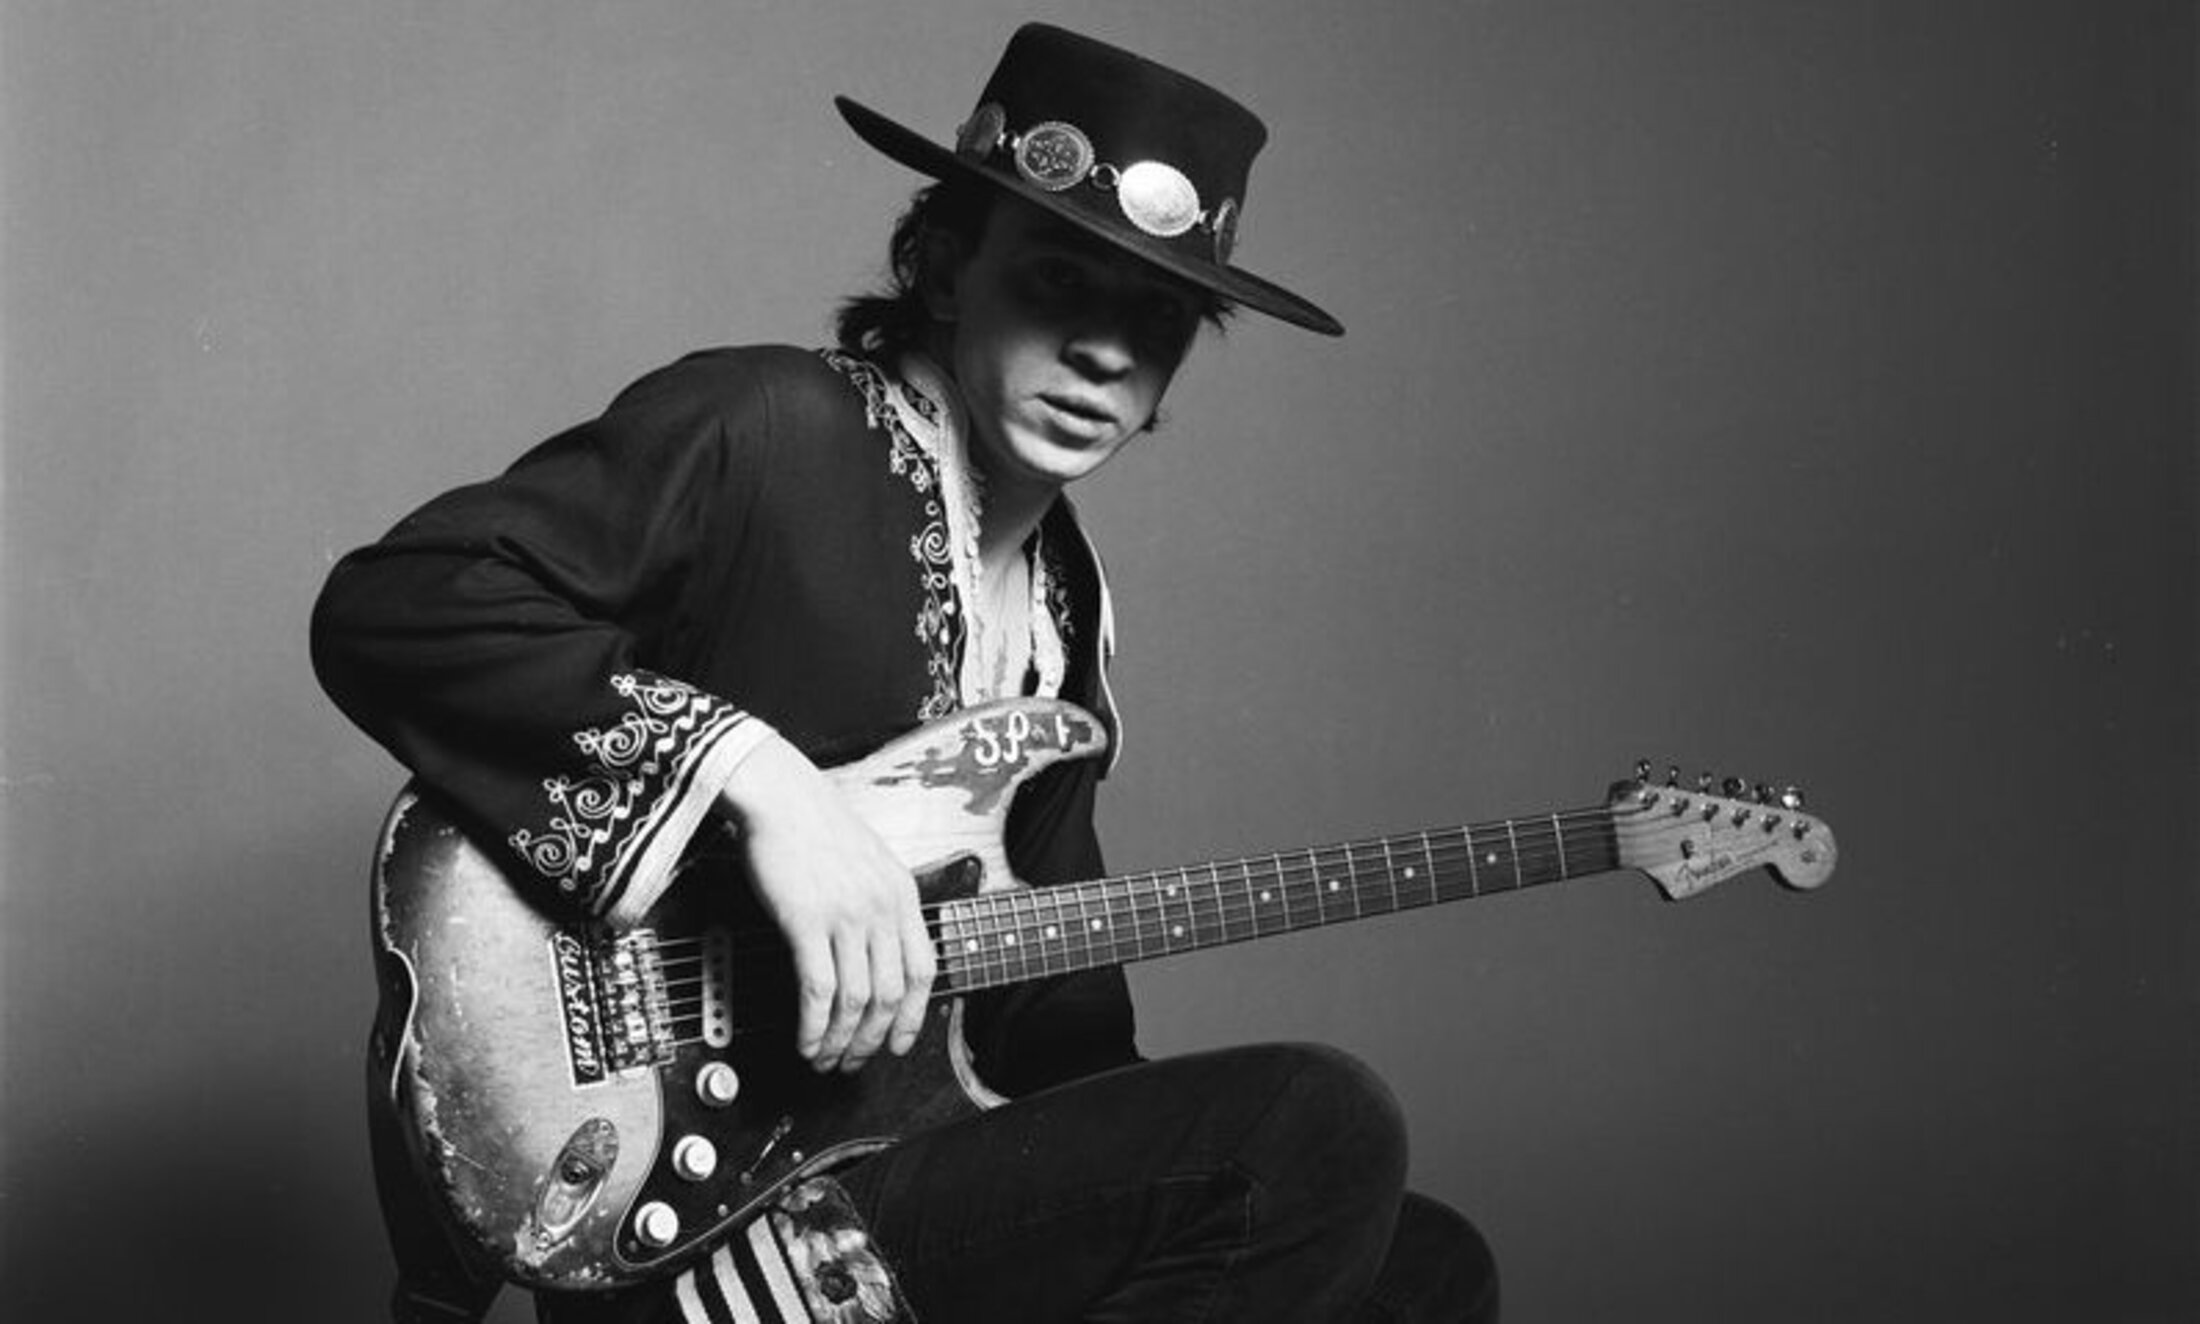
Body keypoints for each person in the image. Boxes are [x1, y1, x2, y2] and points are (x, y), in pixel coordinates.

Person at [313, 23, 1499, 1324]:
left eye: (1157, 317)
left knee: (1423, 1266)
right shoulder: (766, 427)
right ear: (942, 266)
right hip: (697, 1214)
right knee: (1319, 1124)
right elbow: (398, 605)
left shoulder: (1067, 611)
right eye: (1060, 281)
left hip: (900, 1167)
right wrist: (763, 786)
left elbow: (1062, 1029)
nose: (1106, 353)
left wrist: (1171, 1157)